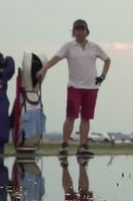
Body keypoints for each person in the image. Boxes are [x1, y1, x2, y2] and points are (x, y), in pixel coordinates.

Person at [37, 19, 111, 156]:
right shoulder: (69, 47)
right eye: (77, 29)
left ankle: (83, 146)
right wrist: (43, 69)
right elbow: (56, 58)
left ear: (86, 31)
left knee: (86, 117)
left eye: (82, 29)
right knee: (71, 116)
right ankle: (64, 144)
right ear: (74, 31)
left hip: (91, 87)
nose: (80, 32)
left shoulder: (94, 47)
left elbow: (107, 60)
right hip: (74, 87)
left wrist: (103, 76)